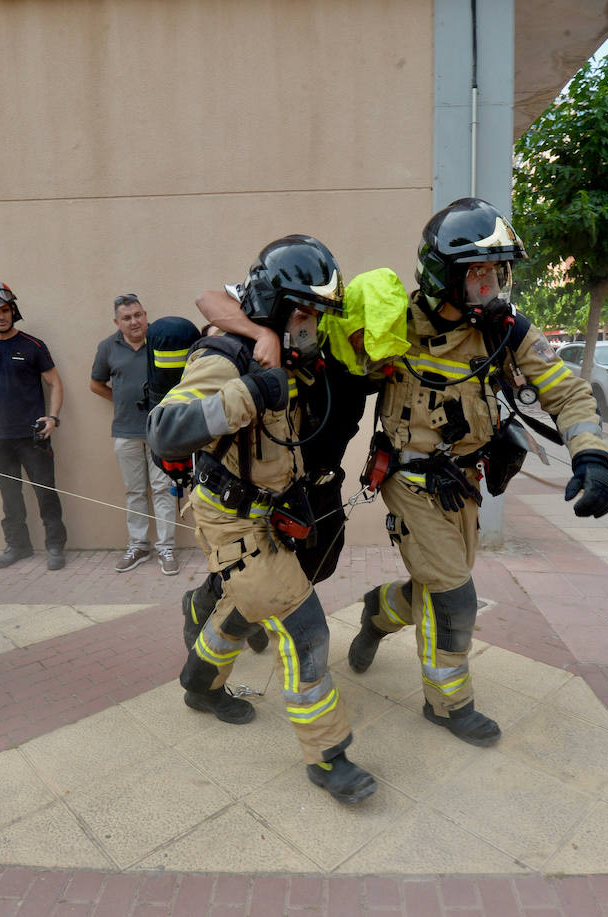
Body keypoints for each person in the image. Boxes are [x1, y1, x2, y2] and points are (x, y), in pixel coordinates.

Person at [346, 198, 608, 747]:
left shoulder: (506, 330)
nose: (489, 284)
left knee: (433, 589)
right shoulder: (395, 323)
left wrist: (592, 457)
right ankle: (448, 705)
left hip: (464, 485)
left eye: (497, 271)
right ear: (441, 274)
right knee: (455, 597)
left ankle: (379, 611)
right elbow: (338, 365)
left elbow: (567, 392)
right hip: (409, 481)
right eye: (476, 273)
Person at [148, 235, 378, 805]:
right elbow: (164, 430)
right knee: (306, 631)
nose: (314, 325)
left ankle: (198, 685)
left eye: (319, 314)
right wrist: (249, 390)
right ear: (275, 306)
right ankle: (329, 757)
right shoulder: (224, 356)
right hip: (230, 520)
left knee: (244, 609)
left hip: (272, 512)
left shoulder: (297, 354)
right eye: (305, 312)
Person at [179, 269, 411, 651]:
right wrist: (262, 334)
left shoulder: (374, 362)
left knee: (320, 563)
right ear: (350, 323)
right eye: (365, 341)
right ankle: (203, 606)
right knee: (259, 572)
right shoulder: (310, 338)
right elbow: (207, 298)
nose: (371, 356)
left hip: (322, 483)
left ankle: (249, 618)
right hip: (276, 485)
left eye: (380, 348)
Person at [0, 279, 68, 571]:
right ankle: (18, 546)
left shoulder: (33, 345)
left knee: (46, 492)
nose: (1, 316)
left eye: (5, 310)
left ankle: (54, 546)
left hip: (33, 437)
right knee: (9, 498)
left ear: (13, 311)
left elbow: (55, 383)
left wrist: (53, 417)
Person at [91, 294, 179, 575]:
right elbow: (96, 384)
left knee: (163, 488)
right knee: (135, 491)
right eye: (127, 318)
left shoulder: (160, 341)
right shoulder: (107, 347)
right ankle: (139, 546)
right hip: (126, 431)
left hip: (161, 430)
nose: (134, 322)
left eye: (138, 315)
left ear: (145, 315)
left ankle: (166, 547)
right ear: (117, 322)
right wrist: (120, 400)